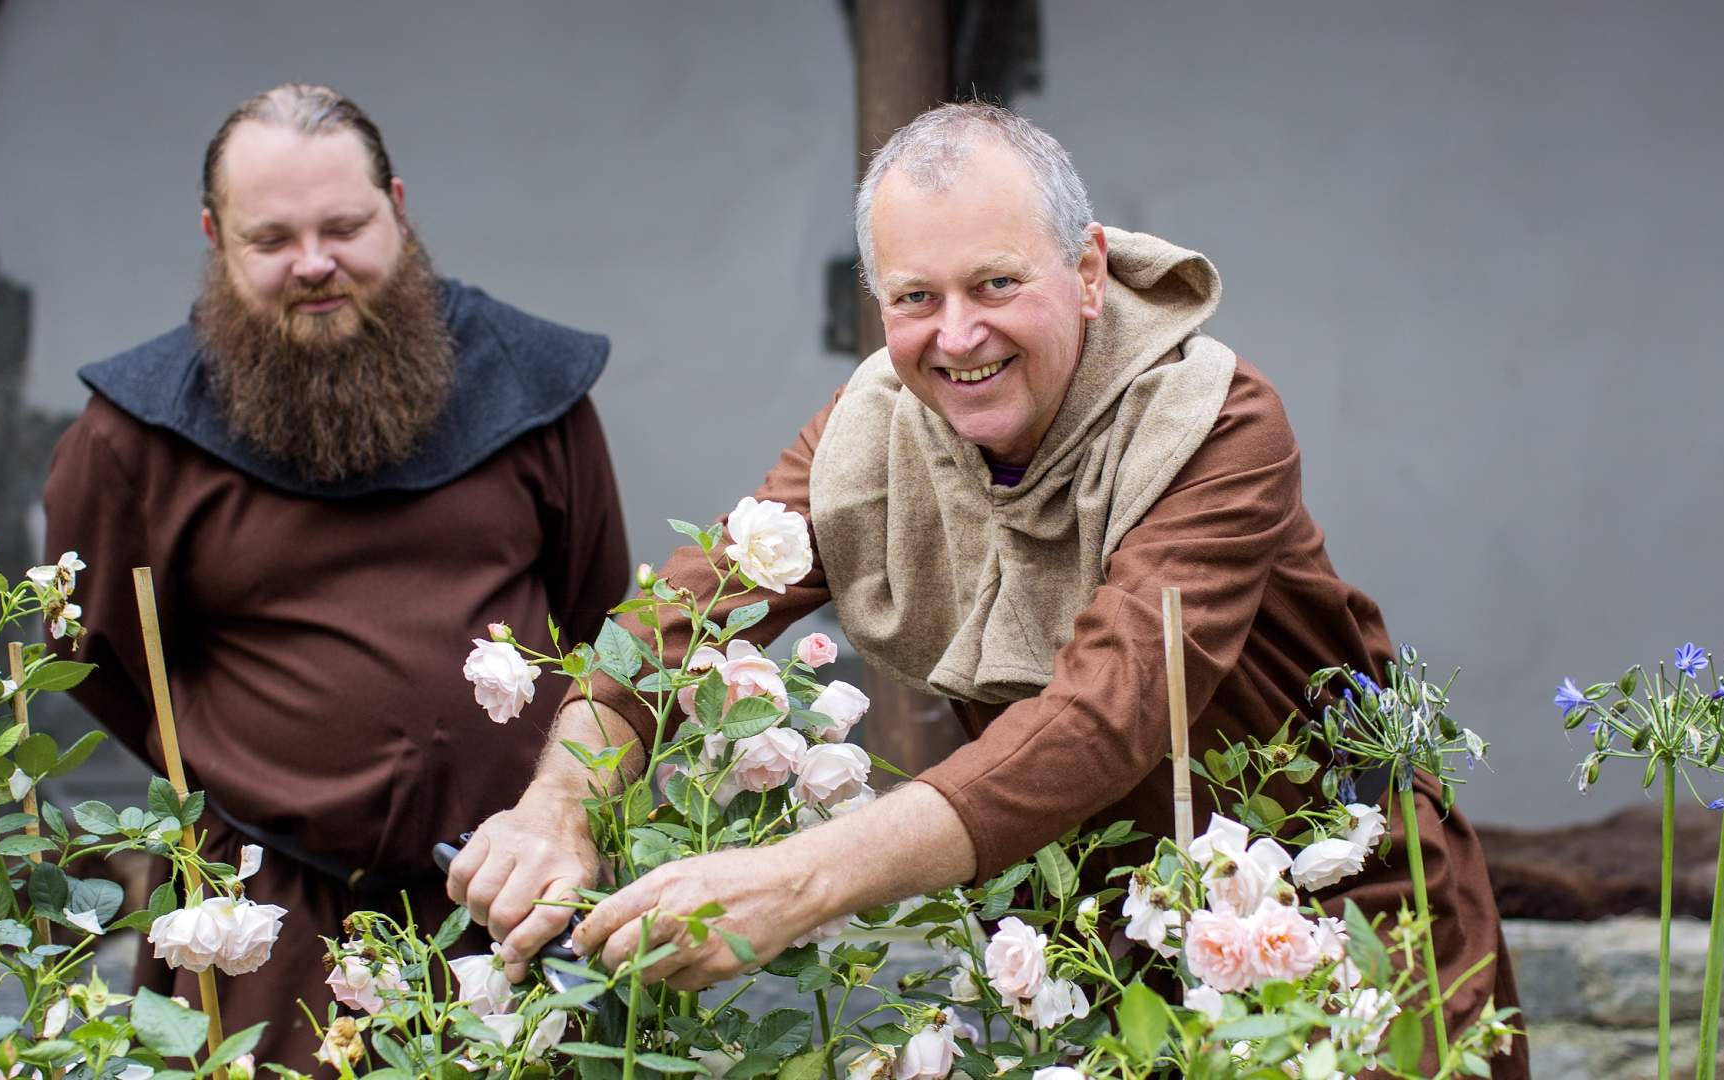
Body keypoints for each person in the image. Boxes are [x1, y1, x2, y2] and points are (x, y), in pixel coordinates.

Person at [450, 102, 1525, 1072]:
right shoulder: (870, 437)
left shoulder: (1213, 422)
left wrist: (791, 881)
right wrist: (557, 809)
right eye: (916, 297)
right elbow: (686, 612)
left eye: (997, 283)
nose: (957, 336)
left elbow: (1104, 719)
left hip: (1342, 917)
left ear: (1091, 270)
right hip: (1102, 949)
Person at [44, 83, 629, 1067]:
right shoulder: (132, 439)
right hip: (267, 931)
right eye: (272, 239)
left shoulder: (532, 389)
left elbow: (601, 630)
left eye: (345, 227)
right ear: (215, 235)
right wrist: (265, 770)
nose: (315, 264)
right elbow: (94, 657)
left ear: (397, 206)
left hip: (513, 910)